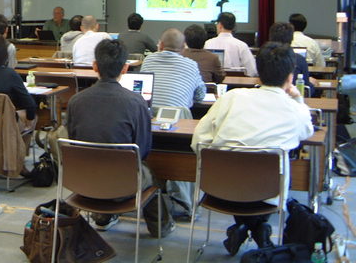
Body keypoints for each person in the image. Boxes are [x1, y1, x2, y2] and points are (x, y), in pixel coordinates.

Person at [191, 42, 313, 254]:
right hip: (268, 193)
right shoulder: (296, 110)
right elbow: (306, 133)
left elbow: (198, 141)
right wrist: (298, 99)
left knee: (241, 176)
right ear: (290, 77)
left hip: (219, 188)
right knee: (275, 168)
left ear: (258, 73)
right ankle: (258, 230)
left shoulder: (231, 98)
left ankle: (244, 227)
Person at [66, 39, 174, 237]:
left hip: (83, 183)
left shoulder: (75, 101)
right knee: (150, 174)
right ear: (125, 68)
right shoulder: (136, 102)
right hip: (124, 186)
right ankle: (161, 228)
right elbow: (143, 150)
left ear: (95, 66)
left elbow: (73, 142)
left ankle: (103, 216)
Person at [140, 28, 205, 218]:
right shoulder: (191, 65)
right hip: (179, 124)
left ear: (160, 45)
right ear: (183, 48)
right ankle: (184, 200)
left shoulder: (149, 60)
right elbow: (200, 95)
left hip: (150, 122)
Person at [269, 22, 317, 96]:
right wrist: (311, 84)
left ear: (270, 37)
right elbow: (306, 88)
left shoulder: (263, 58)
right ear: (291, 39)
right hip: (291, 97)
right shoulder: (299, 59)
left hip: (267, 97)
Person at [204, 12, 258, 76]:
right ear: (234, 26)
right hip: (237, 81)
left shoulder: (208, 44)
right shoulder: (241, 45)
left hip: (214, 80)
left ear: (220, 25)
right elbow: (252, 70)